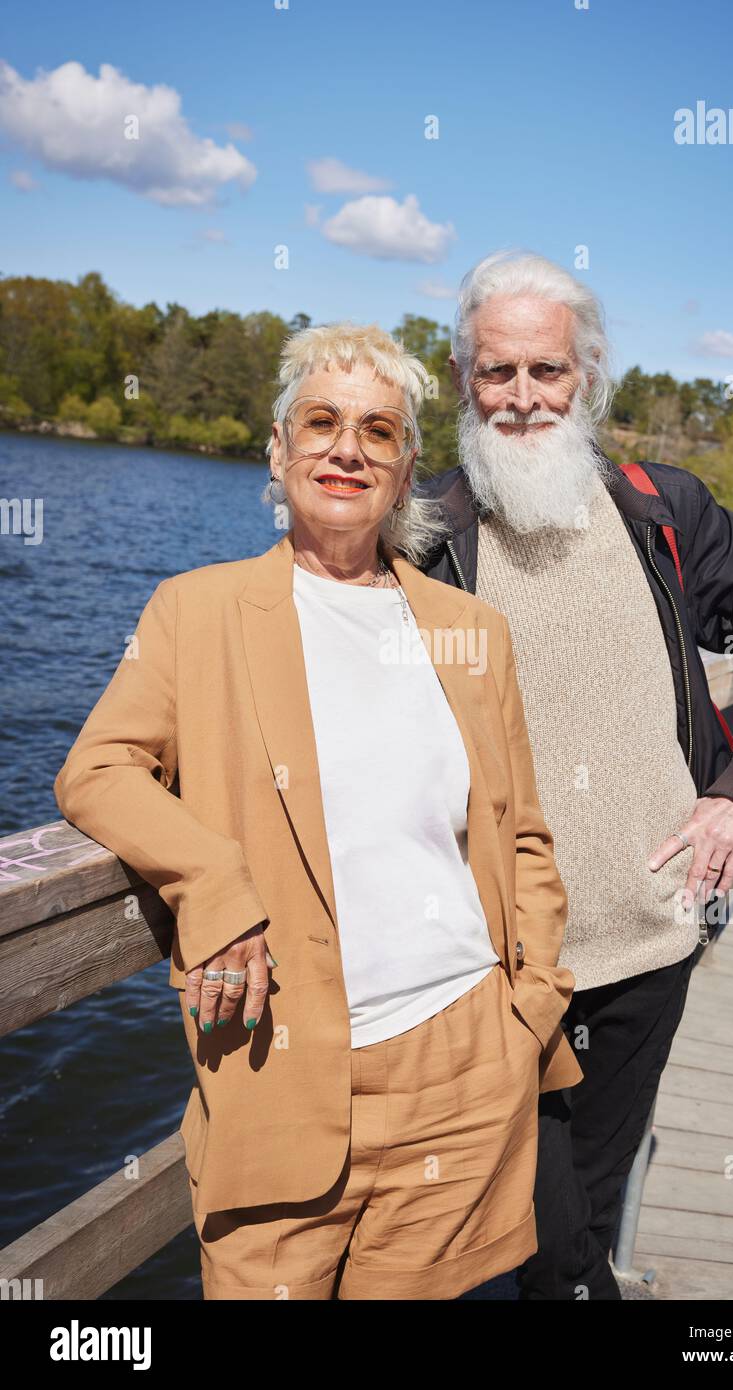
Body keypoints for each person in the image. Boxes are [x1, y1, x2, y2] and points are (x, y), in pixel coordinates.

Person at [53, 321, 582, 1301]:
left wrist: (530, 1007)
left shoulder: (474, 632)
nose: (348, 449)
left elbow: (523, 835)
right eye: (323, 422)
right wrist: (213, 879)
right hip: (270, 1064)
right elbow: (98, 768)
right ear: (279, 445)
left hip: (464, 1070)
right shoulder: (194, 611)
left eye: (379, 431)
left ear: (406, 465)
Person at [417, 251, 733, 1299]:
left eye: (547, 371)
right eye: (497, 372)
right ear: (463, 376)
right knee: (551, 1244)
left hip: (651, 944)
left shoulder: (666, 512)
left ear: (590, 374)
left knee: (582, 1223)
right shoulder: (424, 535)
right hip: (500, 974)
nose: (523, 398)